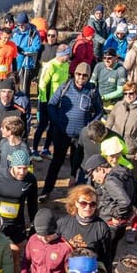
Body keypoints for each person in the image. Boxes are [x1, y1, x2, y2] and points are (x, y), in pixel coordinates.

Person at [41, 64, 104, 198]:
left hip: (81, 136)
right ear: (74, 74)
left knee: (78, 166)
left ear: (88, 77)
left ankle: (76, 195)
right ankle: (46, 191)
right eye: (78, 74)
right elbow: (51, 105)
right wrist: (58, 121)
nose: (81, 78)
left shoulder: (92, 90)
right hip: (62, 133)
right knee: (56, 163)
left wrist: (90, 126)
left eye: (84, 75)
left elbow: (99, 110)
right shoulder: (65, 86)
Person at [57, 185, 113, 264]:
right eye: (83, 203)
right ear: (76, 203)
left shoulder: (102, 228)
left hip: (88, 270)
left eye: (92, 204)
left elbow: (105, 256)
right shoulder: (63, 222)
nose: (88, 207)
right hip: (65, 268)